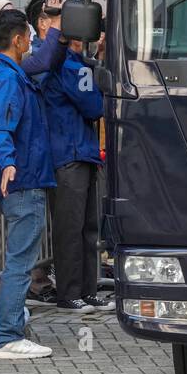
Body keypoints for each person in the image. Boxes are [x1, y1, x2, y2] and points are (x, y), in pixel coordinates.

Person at [0, 9, 56, 360]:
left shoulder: (6, 74)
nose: (32, 42)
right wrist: (7, 162)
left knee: (19, 259)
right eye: (29, 36)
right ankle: (8, 336)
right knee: (20, 261)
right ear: (18, 39)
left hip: (24, 179)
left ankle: (12, 322)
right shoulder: (8, 78)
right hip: (23, 181)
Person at [39, 28, 112, 312]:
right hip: (71, 154)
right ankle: (71, 293)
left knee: (84, 228)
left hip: (79, 153)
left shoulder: (73, 65)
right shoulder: (71, 67)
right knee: (73, 229)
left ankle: (85, 290)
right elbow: (94, 107)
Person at [0, 0, 67, 93]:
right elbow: (42, 62)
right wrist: (56, 22)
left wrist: (63, 40)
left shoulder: (10, 63)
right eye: (7, 14)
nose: (13, 17)